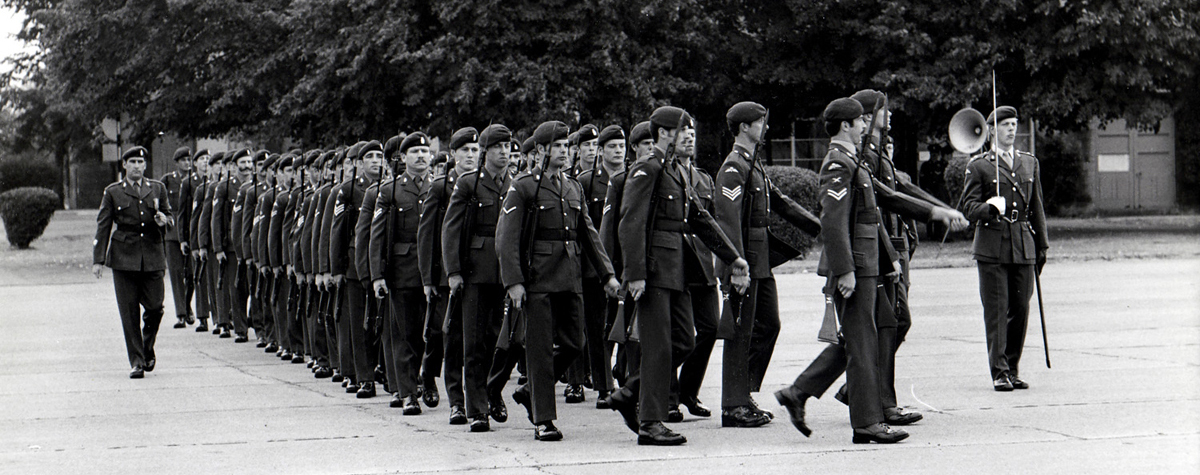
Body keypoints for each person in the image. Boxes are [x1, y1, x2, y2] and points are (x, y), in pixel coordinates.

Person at [608, 106, 750, 446]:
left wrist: (733, 258)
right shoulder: (648, 167)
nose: (687, 135)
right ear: (662, 134)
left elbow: (700, 219)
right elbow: (630, 222)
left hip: (677, 271)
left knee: (685, 340)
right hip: (654, 271)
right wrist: (636, 274)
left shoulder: (676, 171)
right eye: (680, 129)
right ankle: (650, 423)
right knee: (657, 347)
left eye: (690, 130)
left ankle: (630, 394)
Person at [497, 120, 620, 441]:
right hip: (537, 279)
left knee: (574, 344)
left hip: (570, 276)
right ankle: (544, 420)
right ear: (540, 150)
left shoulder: (572, 186)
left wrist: (606, 273)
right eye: (558, 146)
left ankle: (529, 390)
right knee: (538, 350)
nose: (565, 152)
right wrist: (513, 281)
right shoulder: (523, 186)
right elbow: (506, 239)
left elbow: (589, 234)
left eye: (567, 146)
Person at [713, 102, 822, 428]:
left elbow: (782, 203)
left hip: (759, 262)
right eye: (761, 122)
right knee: (739, 332)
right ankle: (733, 406)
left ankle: (742, 392)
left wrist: (818, 225)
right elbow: (728, 220)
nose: (767, 127)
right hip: (744, 263)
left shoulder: (753, 165)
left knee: (768, 325)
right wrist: (736, 265)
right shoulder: (734, 167)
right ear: (745, 127)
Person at [958, 105, 1048, 391]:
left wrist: (1042, 245)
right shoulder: (979, 165)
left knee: (1020, 308)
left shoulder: (1029, 162)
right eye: (1006, 124)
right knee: (997, 310)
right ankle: (998, 371)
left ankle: (1012, 367)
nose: (1012, 129)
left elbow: (1037, 207)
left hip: (1023, 242)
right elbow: (968, 207)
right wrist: (988, 208)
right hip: (992, 244)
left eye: (1014, 123)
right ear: (993, 130)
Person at [93, 146, 174, 378]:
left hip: (152, 254)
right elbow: (104, 225)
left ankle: (147, 347)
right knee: (129, 313)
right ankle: (137, 361)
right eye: (133, 162)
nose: (137, 166)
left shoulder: (157, 188)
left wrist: (163, 220)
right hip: (124, 257)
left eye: (141, 161)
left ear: (145, 165)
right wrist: (98, 260)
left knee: (156, 307)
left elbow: (170, 218)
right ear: (125, 165)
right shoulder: (113, 192)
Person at [420, 127, 479, 424]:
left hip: (479, 273)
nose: (470, 155)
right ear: (453, 154)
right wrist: (429, 279)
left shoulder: (485, 184)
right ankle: (453, 397)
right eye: (465, 151)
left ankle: (477, 397)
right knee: (447, 336)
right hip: (447, 275)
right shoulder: (441, 186)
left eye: (474, 150)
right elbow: (429, 235)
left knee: (477, 339)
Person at [371, 133, 433, 412]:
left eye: (424, 151)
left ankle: (426, 379)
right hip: (403, 271)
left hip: (433, 271)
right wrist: (377, 275)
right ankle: (408, 393)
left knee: (431, 333)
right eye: (415, 152)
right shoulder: (391, 190)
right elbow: (378, 235)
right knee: (405, 334)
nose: (421, 156)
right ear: (403, 158)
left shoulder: (439, 187)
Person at [570, 124, 621, 406]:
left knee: (612, 326)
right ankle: (583, 383)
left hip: (619, 264)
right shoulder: (586, 181)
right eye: (610, 146)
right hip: (591, 266)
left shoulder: (628, 178)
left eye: (621, 146)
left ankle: (609, 379)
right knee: (590, 326)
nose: (617, 151)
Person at [162, 146, 195, 329]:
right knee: (176, 273)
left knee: (191, 273)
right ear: (177, 162)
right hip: (173, 233)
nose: (187, 163)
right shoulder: (168, 181)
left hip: (192, 230)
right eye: (183, 160)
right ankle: (181, 313)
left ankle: (187, 304)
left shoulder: (195, 180)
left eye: (189, 160)